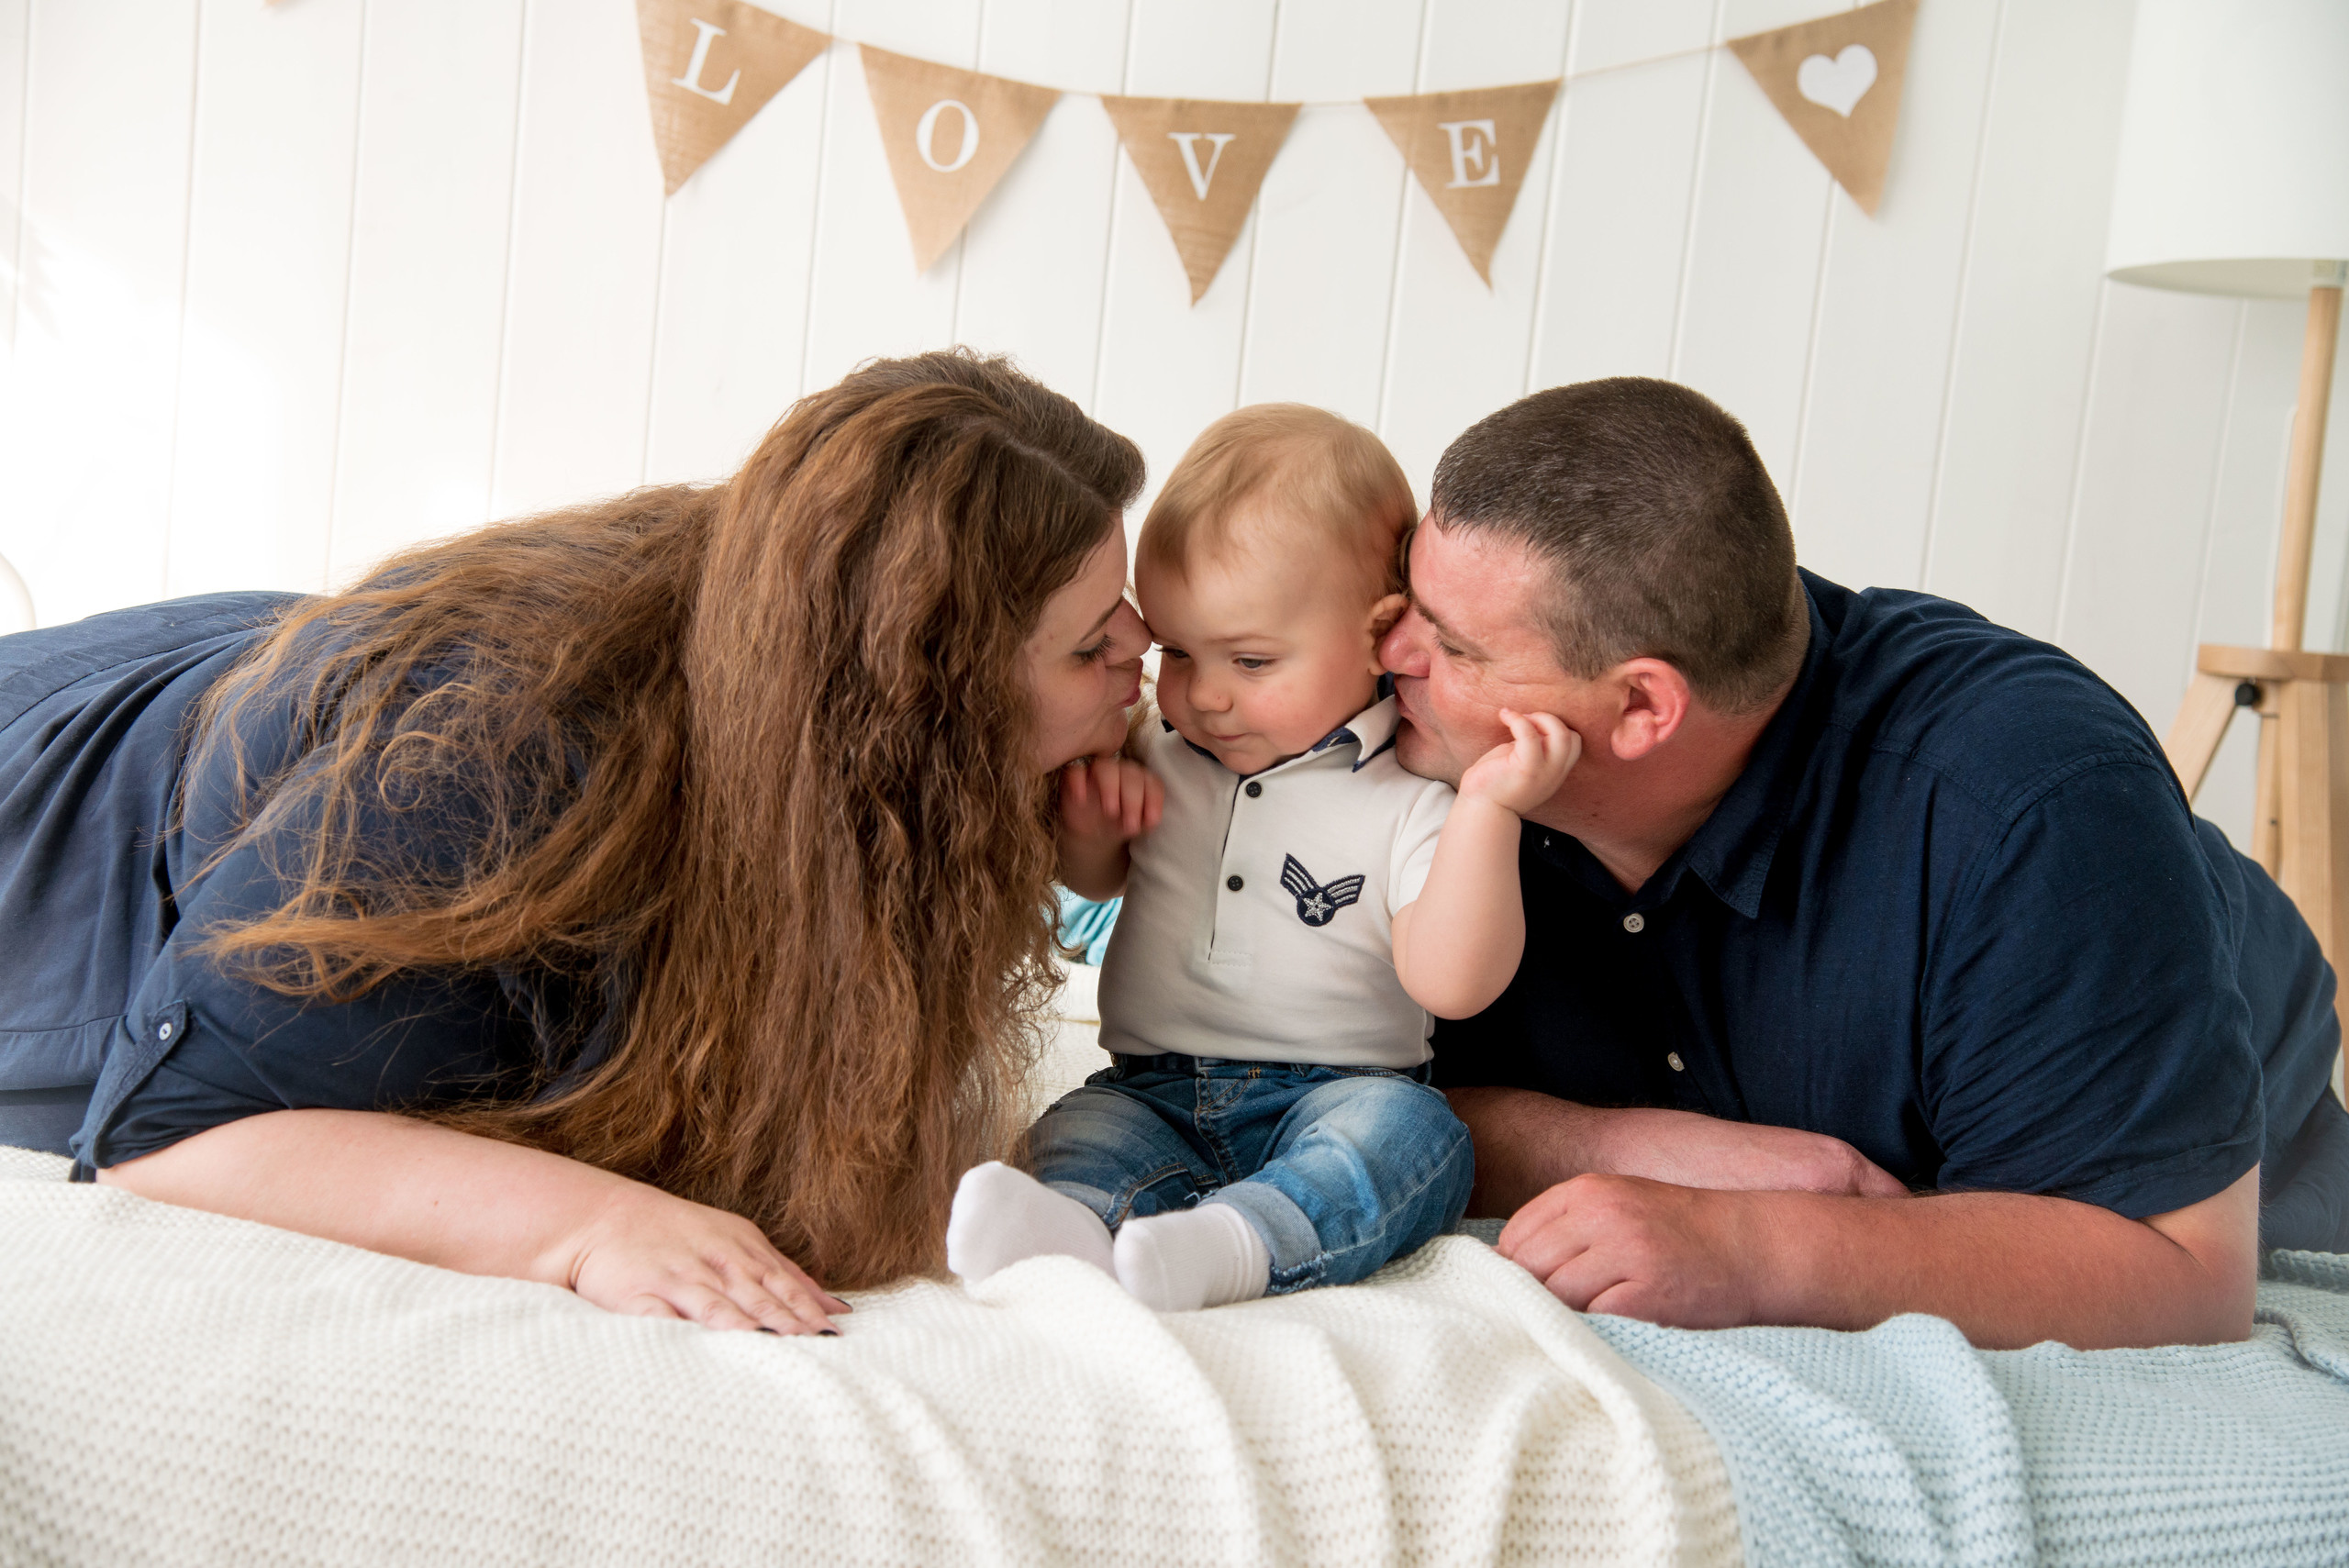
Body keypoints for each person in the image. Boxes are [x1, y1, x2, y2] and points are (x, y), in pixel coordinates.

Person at [0, 350, 1153, 1334]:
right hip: (58, 811)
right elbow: (172, 1137)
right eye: (1093, 644)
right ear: (922, 701)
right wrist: (589, 1224)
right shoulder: (484, 768)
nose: (1145, 651)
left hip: (240, 698)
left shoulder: (793, 690)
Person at [1376, 374, 2349, 1351]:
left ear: (1640, 708)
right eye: (1409, 600)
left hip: (2220, 1191)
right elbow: (1290, 1094)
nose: (1388, 649)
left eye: (1454, 646)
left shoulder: (2029, 801)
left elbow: (2179, 1274)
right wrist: (1612, 1148)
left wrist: (1754, 1244)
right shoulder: (1386, 749)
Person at [944, 405, 1575, 1310]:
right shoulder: (1152, 746)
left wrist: (1489, 808)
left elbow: (1452, 983)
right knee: (1079, 1129)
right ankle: (1073, 1226)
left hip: (1339, 1092)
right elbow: (1095, 886)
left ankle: (1243, 1239)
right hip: (1151, 1080)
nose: (1202, 695)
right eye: (1175, 650)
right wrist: (1091, 832)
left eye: (1249, 659)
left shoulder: (1412, 793)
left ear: (1381, 631)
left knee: (1416, 1140)